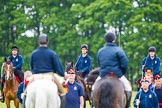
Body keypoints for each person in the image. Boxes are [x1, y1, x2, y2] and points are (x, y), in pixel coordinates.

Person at [96, 32, 132, 108]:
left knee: (93, 88)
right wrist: (122, 72)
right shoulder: (119, 50)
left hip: (103, 74)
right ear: (114, 40)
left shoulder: (100, 51)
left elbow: (99, 63)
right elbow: (125, 63)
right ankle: (127, 105)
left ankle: (93, 105)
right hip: (117, 74)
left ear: (105, 40)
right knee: (128, 88)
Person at [30, 33, 66, 98]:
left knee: (25, 93)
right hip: (49, 75)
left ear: (38, 42)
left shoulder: (33, 54)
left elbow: (31, 66)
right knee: (63, 92)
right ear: (47, 42)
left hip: (36, 75)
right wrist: (63, 74)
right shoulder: (52, 53)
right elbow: (58, 68)